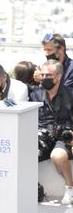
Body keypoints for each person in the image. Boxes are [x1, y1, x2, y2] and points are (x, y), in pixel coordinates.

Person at [30, 60, 73, 205]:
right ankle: (34, 188)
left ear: (59, 76)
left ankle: (70, 188)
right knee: (24, 155)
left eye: (48, 75)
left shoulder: (70, 94)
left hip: (66, 135)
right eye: (42, 74)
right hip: (43, 134)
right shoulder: (35, 94)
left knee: (58, 156)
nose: (44, 78)